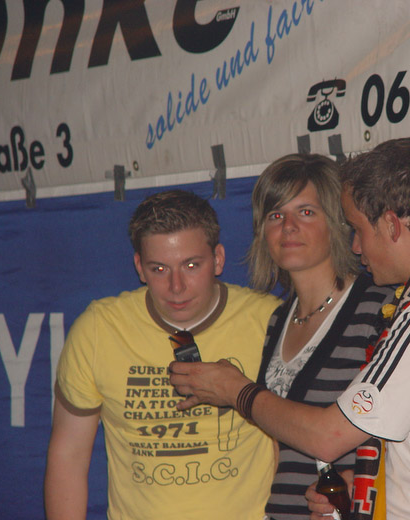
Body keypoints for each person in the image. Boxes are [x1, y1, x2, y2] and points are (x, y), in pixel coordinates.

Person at [169, 138, 410, 519]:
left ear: (391, 225)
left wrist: (236, 390)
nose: (357, 247)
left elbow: (328, 437)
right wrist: (361, 484)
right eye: (275, 216)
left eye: (358, 229)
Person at [44, 190, 281, 520]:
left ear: (218, 259)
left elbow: (293, 443)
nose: (176, 286)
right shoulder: (99, 329)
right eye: (159, 269)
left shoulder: (269, 320)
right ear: (139, 268)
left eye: (191, 265)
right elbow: (68, 455)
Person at [249, 153, 393, 519]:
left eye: (306, 212)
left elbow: (405, 431)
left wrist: (358, 482)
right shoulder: (277, 320)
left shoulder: (378, 308)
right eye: (275, 215)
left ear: (337, 221)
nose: (288, 227)